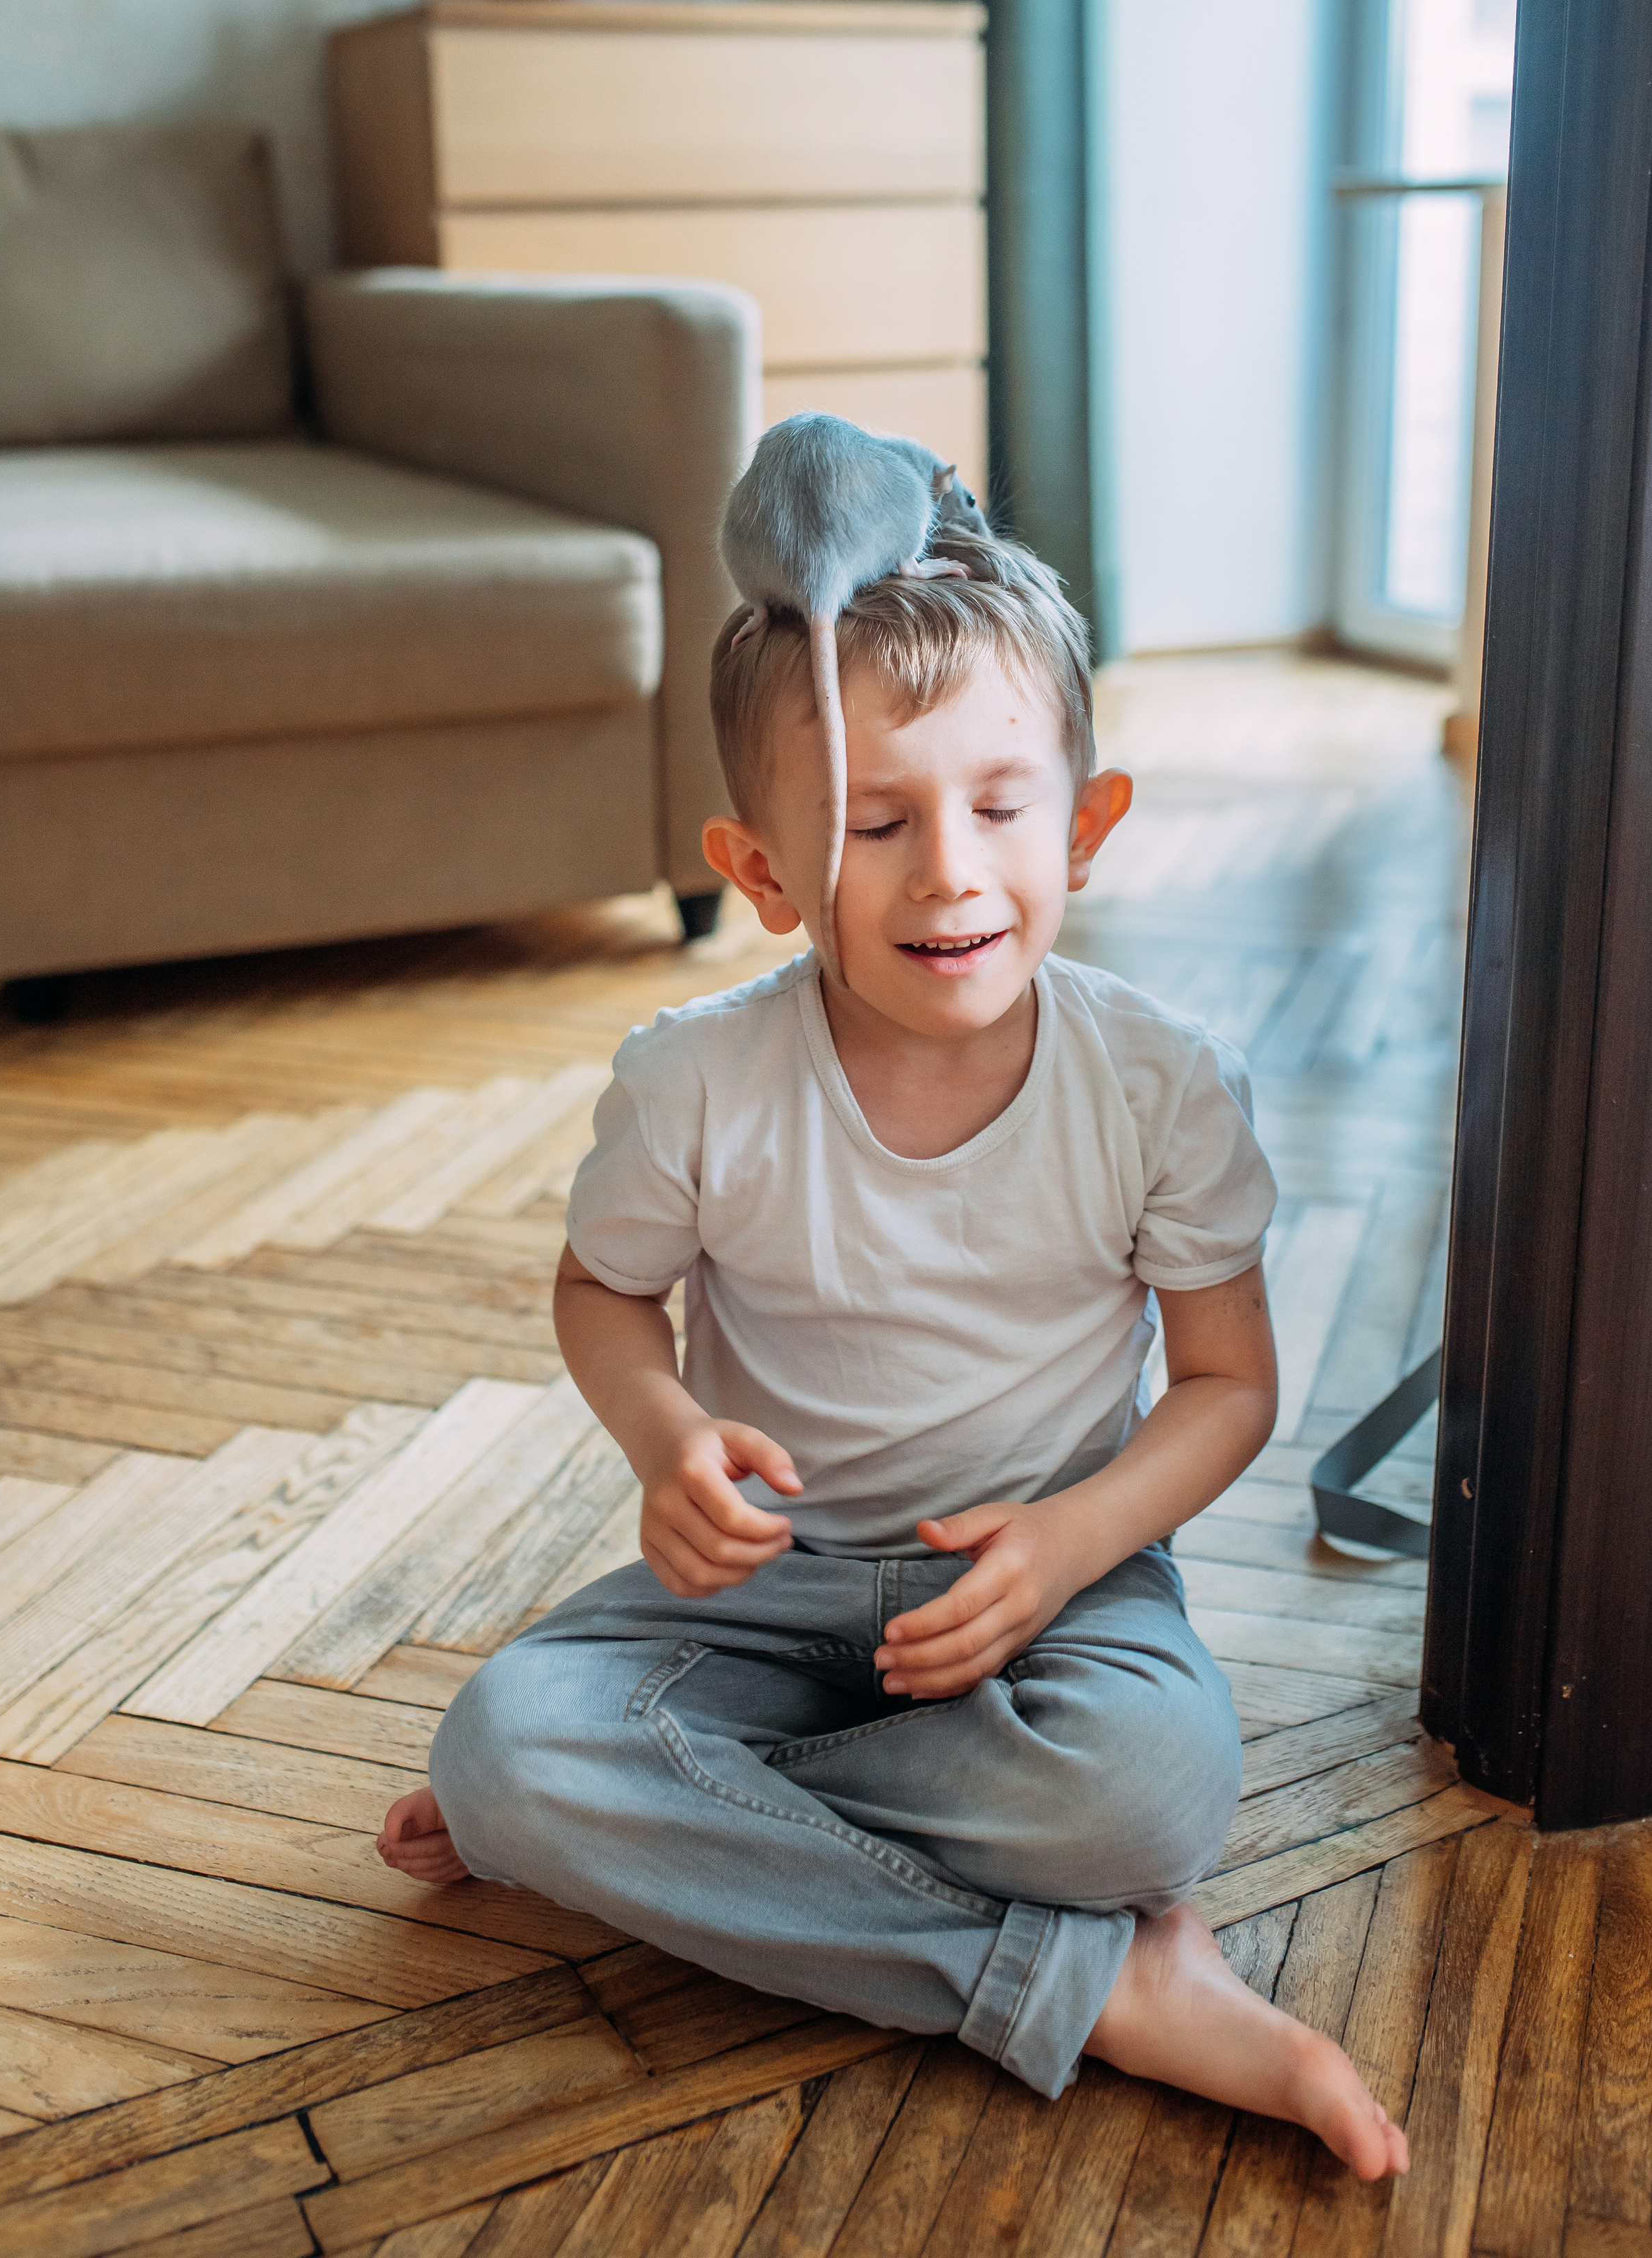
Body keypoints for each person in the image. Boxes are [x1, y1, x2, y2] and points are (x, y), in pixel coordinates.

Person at [377, 475, 1408, 2180]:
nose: (951, 873)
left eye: (1004, 809)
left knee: (1148, 1794)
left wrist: (1072, 1538)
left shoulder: (1157, 1087)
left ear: (1083, 826)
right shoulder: (695, 1082)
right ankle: (1095, 1982)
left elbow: (1227, 1387)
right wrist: (665, 1435)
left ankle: (663, 1822)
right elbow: (605, 1292)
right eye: (874, 826)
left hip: (1053, 1596)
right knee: (504, 1754)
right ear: (762, 871)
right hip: (758, 1590)